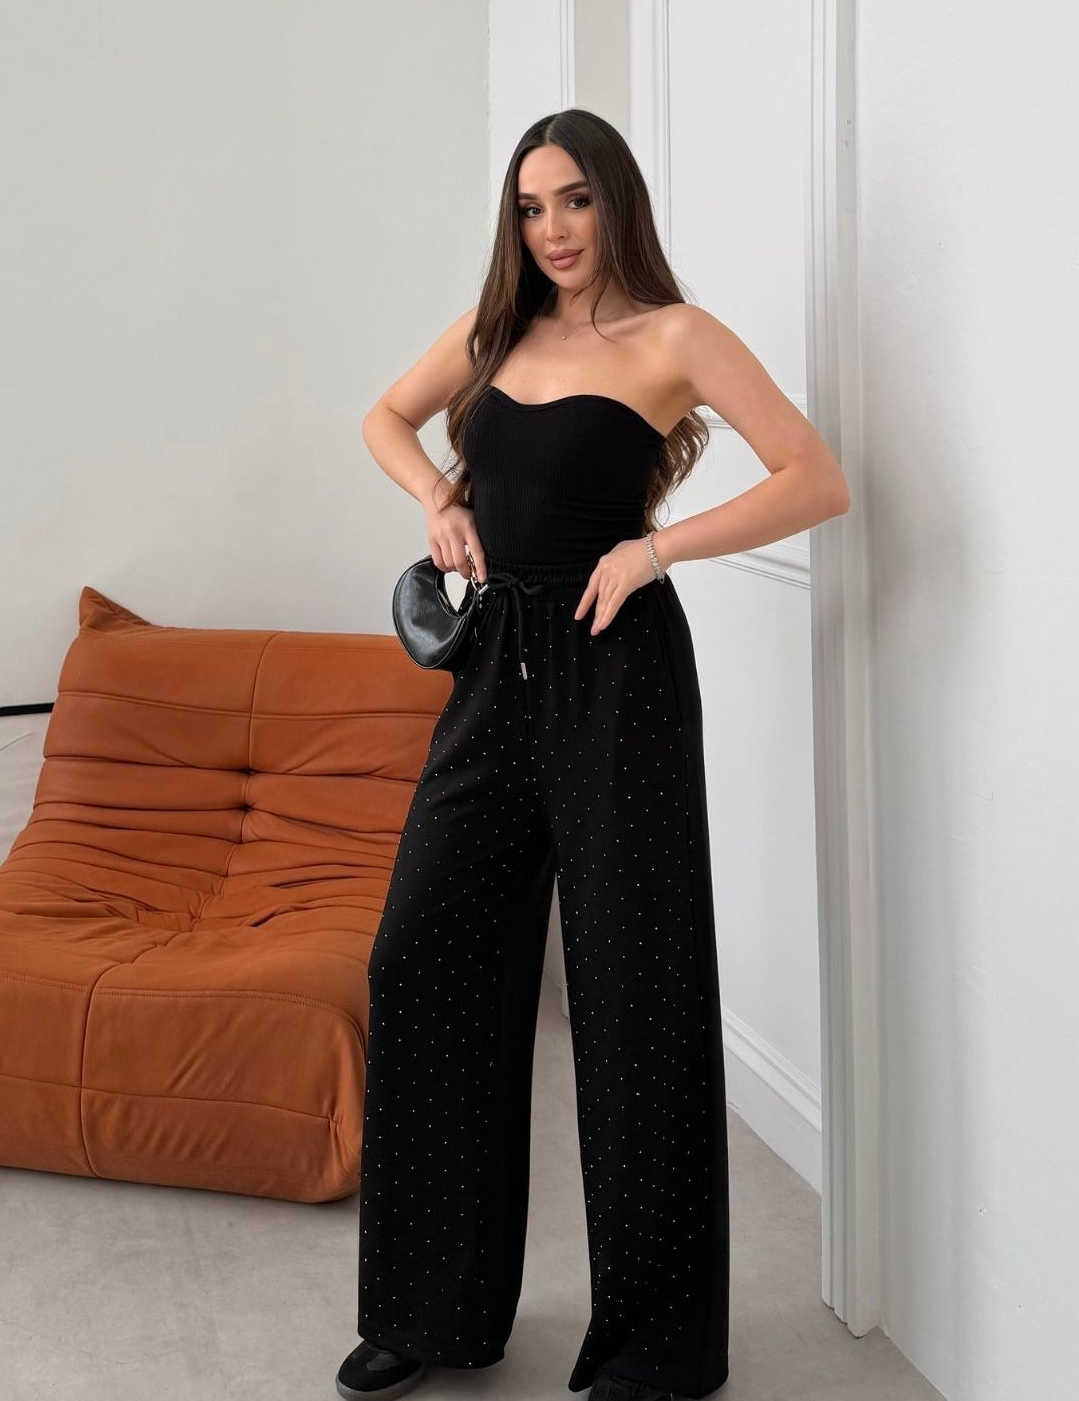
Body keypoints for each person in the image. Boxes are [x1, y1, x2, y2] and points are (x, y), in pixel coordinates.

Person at [335, 108, 850, 1401]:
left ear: (616, 200)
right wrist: (439, 498)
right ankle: (431, 1310)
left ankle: (656, 1349)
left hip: (620, 675)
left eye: (574, 200)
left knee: (635, 1001)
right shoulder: (493, 328)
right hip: (493, 671)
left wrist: (655, 548)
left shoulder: (676, 337)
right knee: (422, 960)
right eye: (530, 207)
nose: (553, 230)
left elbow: (814, 478)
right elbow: (385, 419)